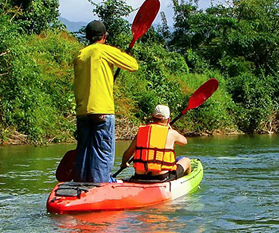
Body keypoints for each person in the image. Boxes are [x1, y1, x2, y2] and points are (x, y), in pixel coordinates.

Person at [72, 20, 139, 183]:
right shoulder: (104, 50)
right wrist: (123, 53)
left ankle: (80, 184)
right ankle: (101, 184)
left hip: (82, 112)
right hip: (102, 111)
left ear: (87, 37)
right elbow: (133, 65)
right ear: (104, 36)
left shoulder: (79, 55)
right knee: (102, 151)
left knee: (84, 151)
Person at [119, 104, 192, 181]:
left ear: (152, 118)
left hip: (140, 176)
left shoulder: (142, 132)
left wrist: (124, 163)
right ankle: (183, 182)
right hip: (162, 177)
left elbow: (127, 154)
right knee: (186, 160)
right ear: (168, 120)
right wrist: (170, 128)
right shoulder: (171, 133)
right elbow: (184, 141)